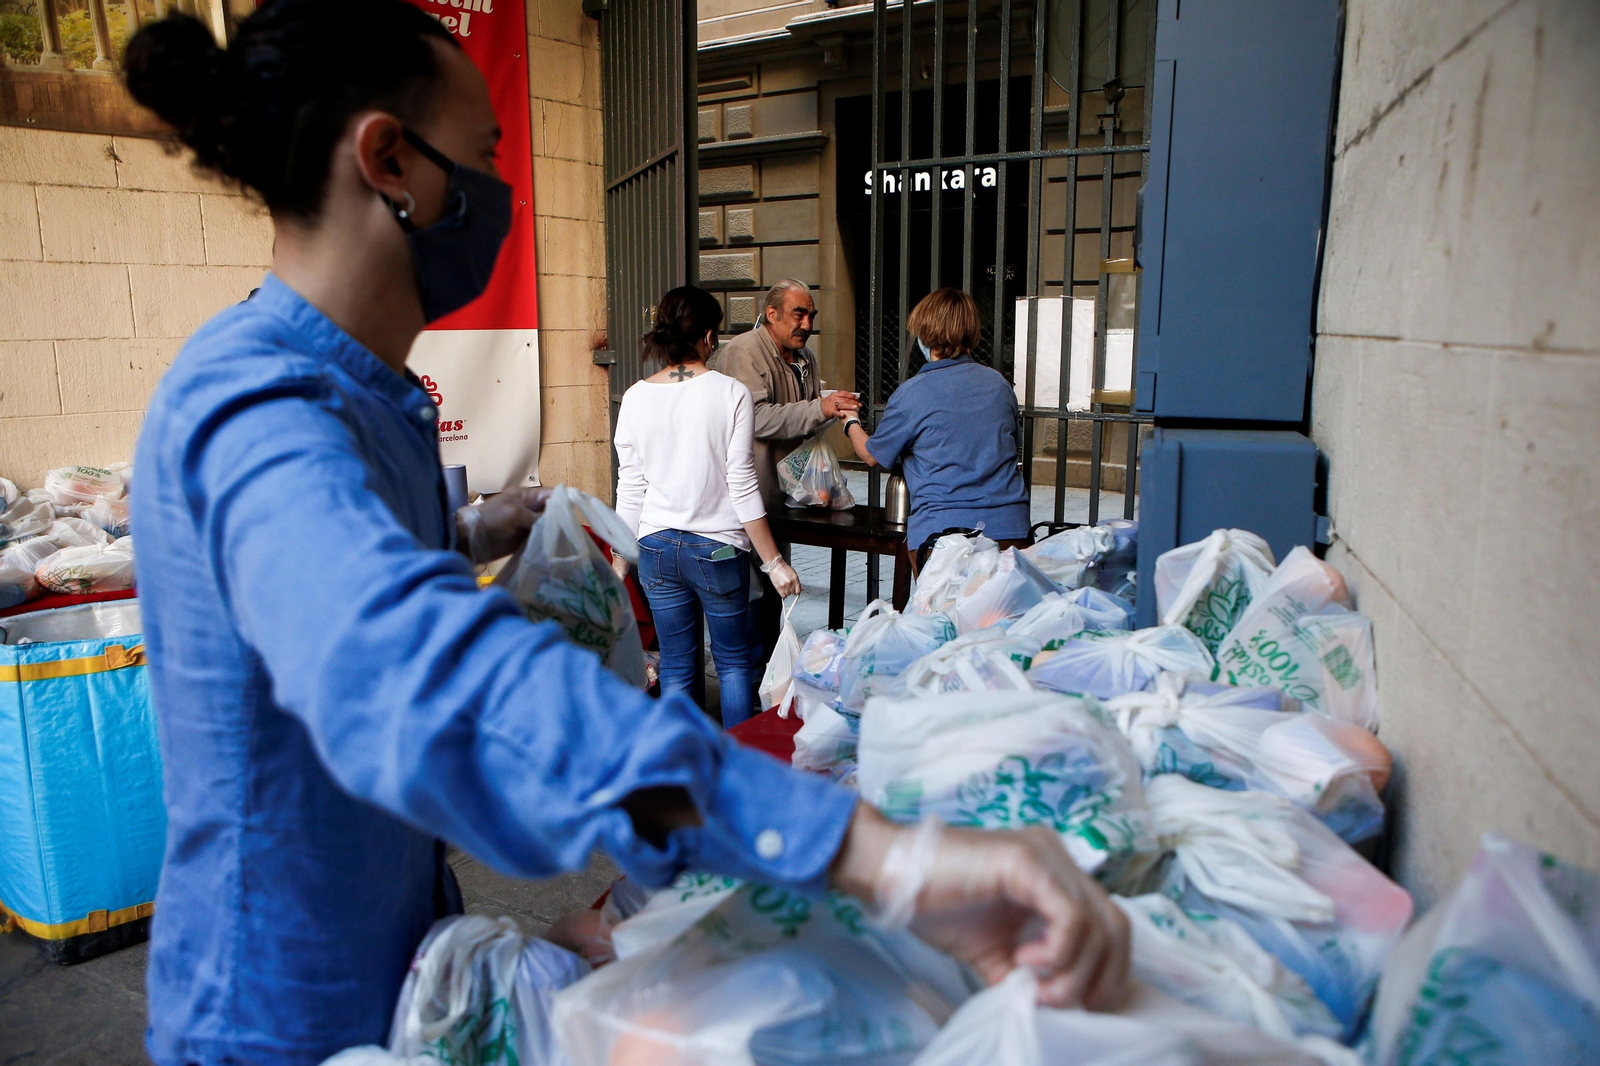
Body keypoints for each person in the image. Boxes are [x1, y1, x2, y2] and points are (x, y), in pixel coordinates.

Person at [120, 5, 1127, 1064]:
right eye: (486, 159)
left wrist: (471, 529)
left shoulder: (372, 396)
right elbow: (416, 670)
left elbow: (330, 573)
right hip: (280, 1001)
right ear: (389, 161)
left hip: (407, 948)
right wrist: (879, 856)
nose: (501, 201)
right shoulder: (257, 404)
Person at [613, 286, 801, 728]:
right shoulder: (730, 393)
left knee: (677, 667)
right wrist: (774, 562)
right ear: (710, 337)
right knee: (734, 664)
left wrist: (619, 561)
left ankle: (687, 772)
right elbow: (742, 483)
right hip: (716, 550)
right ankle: (737, 765)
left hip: (655, 549)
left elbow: (630, 487)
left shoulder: (636, 396)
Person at [712, 279, 860, 656]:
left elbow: (806, 418)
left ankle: (765, 684)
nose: (807, 324)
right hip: (748, 500)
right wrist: (820, 408)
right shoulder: (744, 351)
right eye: (799, 314)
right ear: (772, 314)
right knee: (751, 597)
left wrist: (832, 410)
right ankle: (748, 682)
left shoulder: (805, 358)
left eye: (810, 315)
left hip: (785, 498)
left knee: (773, 593)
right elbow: (756, 418)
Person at [843, 288, 1033, 567]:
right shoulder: (999, 385)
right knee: (1005, 611)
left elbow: (872, 454)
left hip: (943, 536)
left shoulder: (912, 393)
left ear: (924, 333)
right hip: (1010, 530)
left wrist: (850, 422)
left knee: (943, 612)